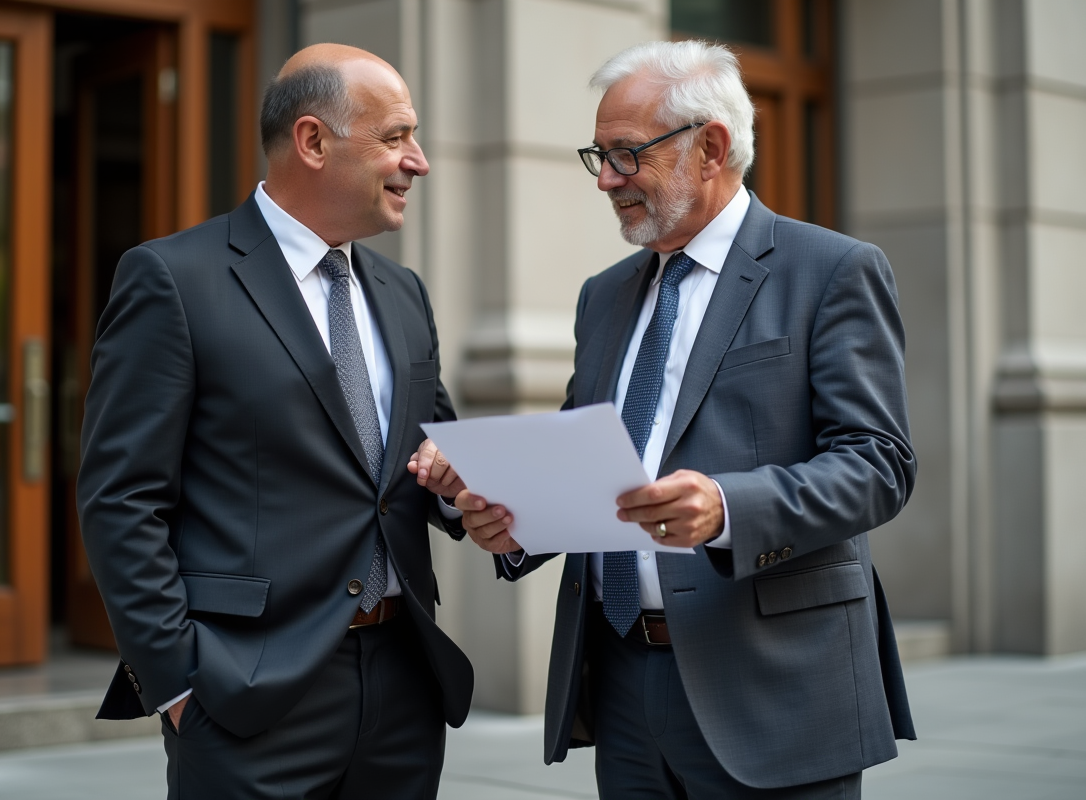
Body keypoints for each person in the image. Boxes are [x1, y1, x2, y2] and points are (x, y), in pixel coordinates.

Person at [411, 40, 917, 799]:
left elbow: (879, 464)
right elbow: (584, 464)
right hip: (620, 684)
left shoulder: (832, 270)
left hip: (771, 683)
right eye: (598, 156)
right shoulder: (604, 295)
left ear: (710, 147)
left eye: (626, 155)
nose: (607, 180)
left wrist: (726, 509)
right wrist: (508, 517)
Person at [78, 43, 472, 800]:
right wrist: (178, 685)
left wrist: (468, 489)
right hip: (244, 696)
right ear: (313, 141)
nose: (417, 160)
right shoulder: (172, 280)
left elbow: (429, 456)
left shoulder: (403, 291)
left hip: (403, 688)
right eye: (395, 137)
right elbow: (121, 498)